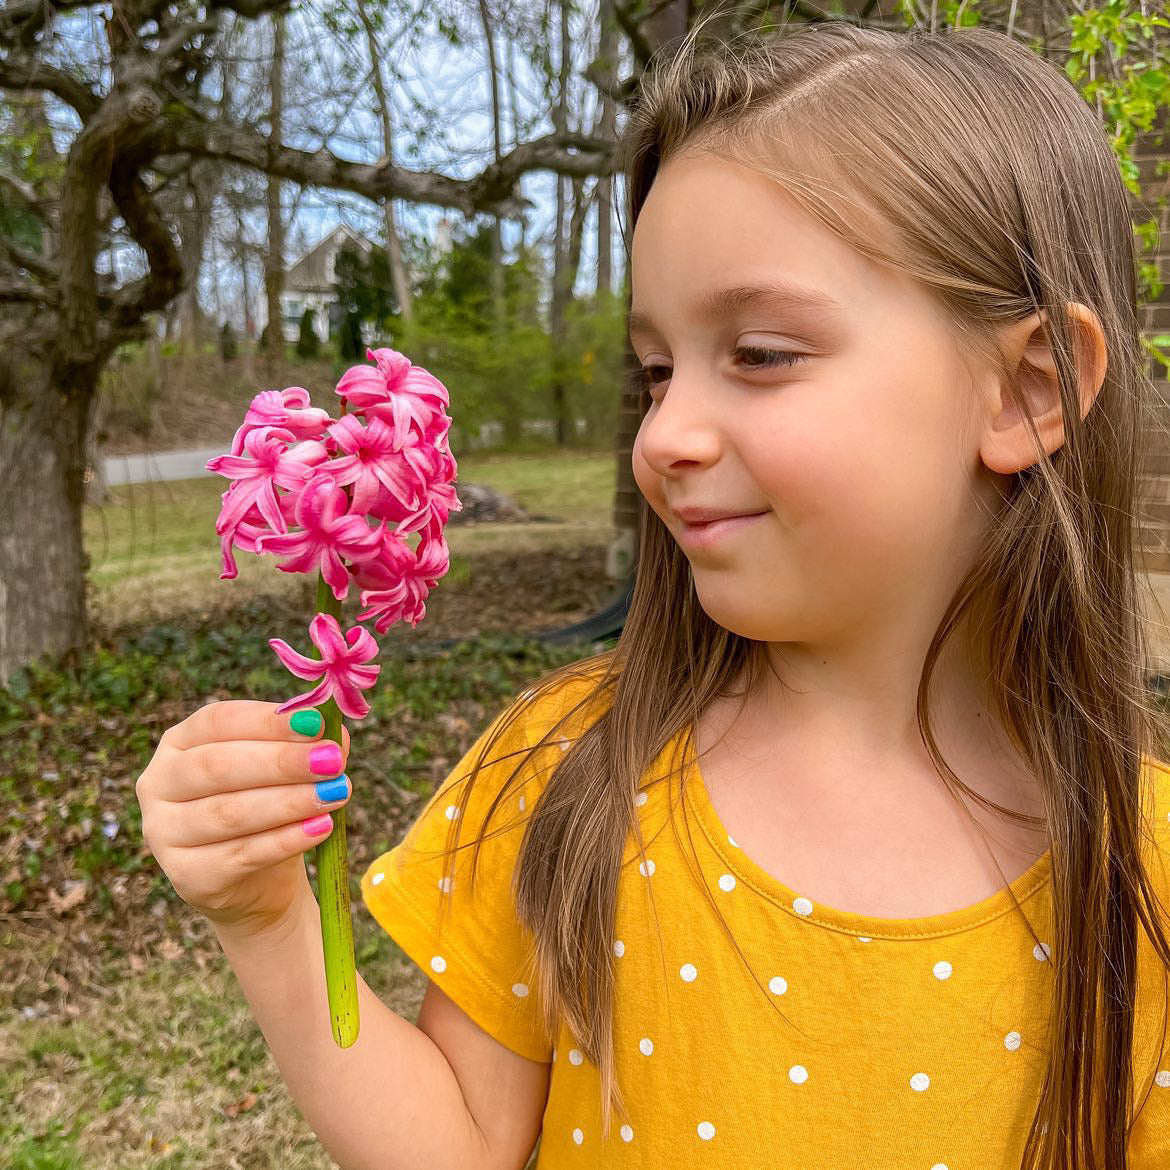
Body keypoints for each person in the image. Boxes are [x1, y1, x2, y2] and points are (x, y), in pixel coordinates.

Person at [134, 17, 1170, 1170]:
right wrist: (270, 919)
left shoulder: (1148, 877)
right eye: (657, 371)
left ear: (1029, 391)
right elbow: (459, 1147)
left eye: (763, 353)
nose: (665, 432)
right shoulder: (568, 767)